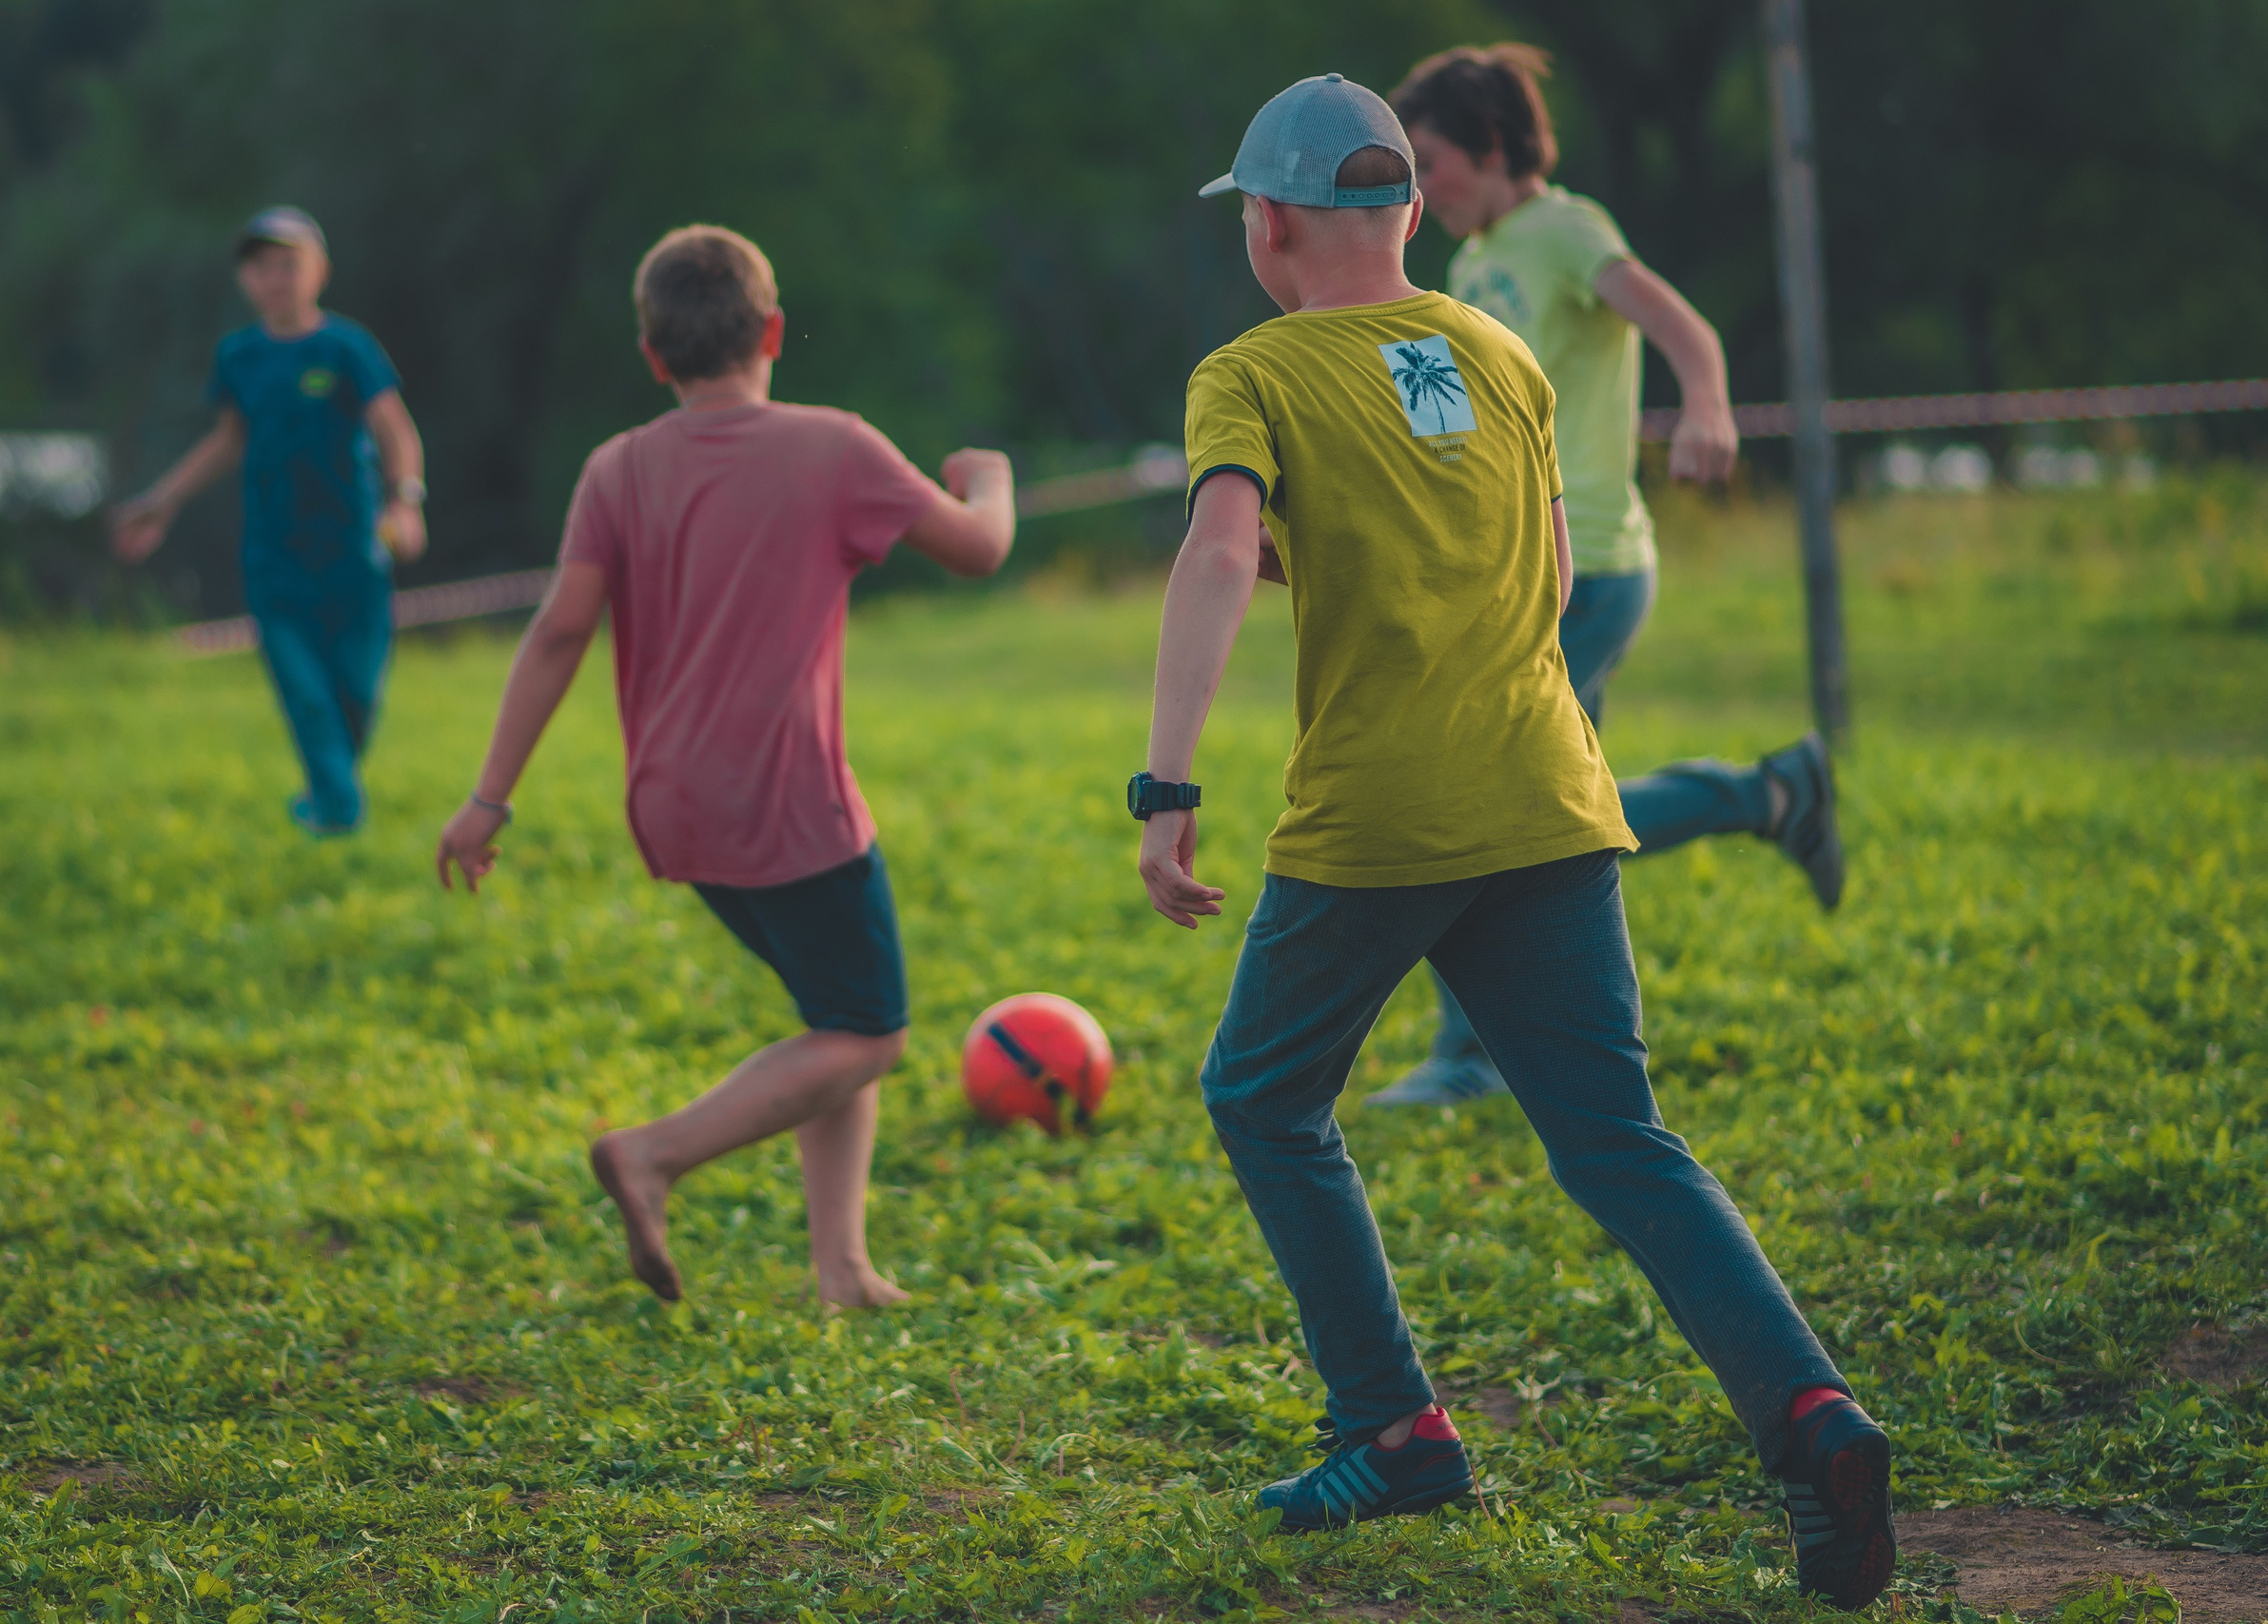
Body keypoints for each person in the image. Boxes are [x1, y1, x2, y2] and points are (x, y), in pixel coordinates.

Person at [1134, 73, 1893, 1608]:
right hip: (1549, 792)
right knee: (1621, 1139)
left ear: (1266, 224)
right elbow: (1541, 577)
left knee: (1264, 1096)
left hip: (1381, 815)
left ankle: (1396, 1424)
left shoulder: (1252, 372)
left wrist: (1165, 782)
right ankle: (1813, 1413)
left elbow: (1219, 548)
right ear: (1414, 206)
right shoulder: (1502, 349)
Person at [433, 225, 1015, 1309]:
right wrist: (991, 478)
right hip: (789, 804)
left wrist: (488, 797)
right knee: (869, 1034)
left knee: (833, 1013)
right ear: (775, 333)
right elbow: (979, 550)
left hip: (676, 807)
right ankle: (654, 1155)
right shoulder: (835, 446)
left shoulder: (616, 467)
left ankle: (841, 1266)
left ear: (653, 356)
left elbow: (559, 632)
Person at [1367, 44, 1842, 1108]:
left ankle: (1474, 1057)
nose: (1419, 189)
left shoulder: (1566, 230)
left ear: (1490, 148)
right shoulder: (1459, 272)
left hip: (1587, 565)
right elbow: (1444, 432)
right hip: (1505, 572)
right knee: (1532, 810)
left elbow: (1681, 325)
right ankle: (1771, 793)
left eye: (1429, 163)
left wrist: (1708, 405)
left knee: (1487, 803)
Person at [113, 206, 427, 836]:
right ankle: (339, 819)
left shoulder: (347, 347)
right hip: (274, 555)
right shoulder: (239, 356)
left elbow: (394, 429)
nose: (275, 278)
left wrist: (405, 500)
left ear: (320, 272)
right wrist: (163, 498)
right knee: (307, 697)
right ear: (244, 280)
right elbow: (229, 440)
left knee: (356, 697)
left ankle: (322, 796)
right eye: (261, 267)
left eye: (289, 264)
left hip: (355, 550)